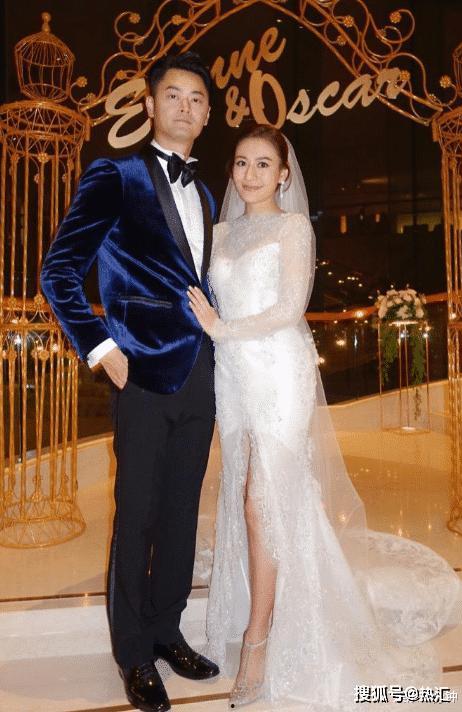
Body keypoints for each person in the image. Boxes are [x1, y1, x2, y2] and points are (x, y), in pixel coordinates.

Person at [187, 122, 460, 711]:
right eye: (241, 163)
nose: (250, 174)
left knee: (262, 500)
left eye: (264, 164)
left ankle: (258, 639)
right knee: (248, 494)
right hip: (232, 377)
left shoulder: (292, 228)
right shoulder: (220, 233)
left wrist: (220, 327)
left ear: (284, 174)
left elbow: (289, 309)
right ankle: (277, 609)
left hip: (277, 371)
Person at [41, 52, 220, 712]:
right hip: (138, 370)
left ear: (207, 113)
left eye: (196, 99)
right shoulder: (114, 174)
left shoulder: (205, 194)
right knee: (138, 512)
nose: (184, 107)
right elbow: (59, 271)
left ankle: (167, 629)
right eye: (172, 96)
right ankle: (133, 654)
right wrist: (99, 347)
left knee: (180, 512)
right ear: (149, 106)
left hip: (200, 373)